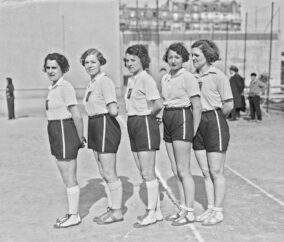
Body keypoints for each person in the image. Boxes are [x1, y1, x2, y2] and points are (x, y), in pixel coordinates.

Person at [191, 40, 233, 226]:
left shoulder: (218, 76)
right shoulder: (191, 77)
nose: (192, 59)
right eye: (191, 55)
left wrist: (215, 118)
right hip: (197, 122)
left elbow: (229, 104)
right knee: (206, 171)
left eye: (196, 56)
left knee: (216, 171)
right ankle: (210, 208)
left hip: (214, 121)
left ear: (207, 56)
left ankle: (218, 211)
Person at [161, 43, 202, 226]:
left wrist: (192, 131)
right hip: (168, 117)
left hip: (182, 118)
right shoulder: (165, 78)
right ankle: (183, 209)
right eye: (170, 57)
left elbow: (197, 106)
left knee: (183, 168)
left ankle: (190, 212)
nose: (173, 60)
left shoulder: (188, 77)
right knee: (174, 168)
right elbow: (165, 102)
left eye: (177, 57)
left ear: (183, 58)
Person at [80, 48, 123, 224]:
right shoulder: (92, 83)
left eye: (93, 62)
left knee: (108, 171)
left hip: (105, 123)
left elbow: (113, 109)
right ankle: (112, 208)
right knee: (102, 171)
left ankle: (117, 211)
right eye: (86, 62)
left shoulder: (104, 81)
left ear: (100, 63)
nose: (89, 65)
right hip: (95, 124)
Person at [124, 44, 163, 228]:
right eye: (127, 60)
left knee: (147, 172)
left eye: (133, 60)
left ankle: (151, 212)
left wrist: (147, 116)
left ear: (142, 60)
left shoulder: (146, 79)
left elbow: (158, 104)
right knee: (143, 171)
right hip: (133, 123)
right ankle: (158, 211)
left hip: (144, 123)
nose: (129, 63)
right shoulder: (132, 80)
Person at [44, 53, 85, 228]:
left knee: (69, 177)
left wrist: (80, 137)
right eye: (48, 67)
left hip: (64, 130)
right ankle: (71, 213)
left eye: (55, 67)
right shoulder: (53, 87)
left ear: (63, 69)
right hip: (55, 129)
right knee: (65, 177)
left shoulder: (65, 86)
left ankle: (74, 215)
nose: (51, 71)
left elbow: (76, 114)